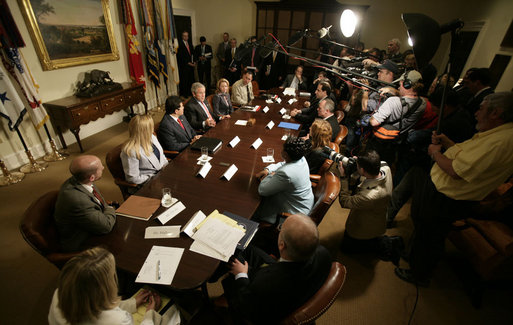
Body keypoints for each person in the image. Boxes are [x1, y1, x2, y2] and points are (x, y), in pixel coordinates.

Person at [393, 92, 513, 286]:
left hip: (448, 196)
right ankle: (413, 257)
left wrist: (434, 153)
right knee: (425, 229)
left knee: (431, 235)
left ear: (496, 113)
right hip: (444, 191)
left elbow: (455, 170)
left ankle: (419, 274)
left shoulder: (500, 141)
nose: (476, 113)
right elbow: (471, 158)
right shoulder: (499, 134)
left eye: (481, 108)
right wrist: (448, 143)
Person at [221, 214, 332, 324]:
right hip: (295, 280)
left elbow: (246, 307)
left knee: (235, 265)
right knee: (248, 250)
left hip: (264, 302)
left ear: (281, 245)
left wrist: (241, 275)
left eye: (280, 228)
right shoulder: (324, 254)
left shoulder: (265, 284)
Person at [48, 247, 163, 325]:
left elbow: (92, 306)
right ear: (104, 288)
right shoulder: (119, 321)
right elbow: (104, 314)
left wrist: (131, 304)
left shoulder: (58, 295)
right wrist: (150, 315)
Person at [338, 150, 402, 264]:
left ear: (362, 170)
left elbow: (344, 201)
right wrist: (360, 162)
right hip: (379, 216)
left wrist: (343, 177)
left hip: (364, 227)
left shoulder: (370, 196)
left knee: (345, 248)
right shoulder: (385, 167)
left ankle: (383, 244)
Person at [54, 155, 116, 252]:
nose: (103, 168)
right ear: (92, 177)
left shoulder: (81, 179)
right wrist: (111, 208)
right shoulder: (78, 201)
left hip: (93, 223)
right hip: (82, 241)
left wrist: (106, 209)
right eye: (101, 167)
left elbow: (102, 203)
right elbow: (106, 226)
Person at [368, 70, 427, 165]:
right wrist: (393, 91)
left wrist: (372, 115)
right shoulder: (422, 103)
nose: (398, 87)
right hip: (395, 144)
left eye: (400, 84)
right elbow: (409, 98)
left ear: (407, 85)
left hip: (378, 145)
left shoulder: (392, 101)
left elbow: (374, 122)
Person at [253, 136, 314, 224]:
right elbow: (283, 164)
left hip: (295, 213)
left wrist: (270, 175)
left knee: (254, 210)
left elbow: (262, 190)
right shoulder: (301, 158)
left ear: (285, 154)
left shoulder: (286, 173)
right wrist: (268, 170)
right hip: (304, 202)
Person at [121, 115, 168, 188]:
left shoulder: (152, 137)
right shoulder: (130, 151)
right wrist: (152, 177)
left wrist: (167, 169)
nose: (153, 130)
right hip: (148, 184)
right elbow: (132, 178)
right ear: (145, 131)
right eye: (151, 128)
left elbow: (162, 156)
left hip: (162, 175)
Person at [177, 31, 195, 97]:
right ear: (182, 36)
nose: (186, 37)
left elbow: (193, 53)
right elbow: (180, 56)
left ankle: (191, 93)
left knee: (191, 80)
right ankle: (185, 94)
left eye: (187, 36)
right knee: (185, 81)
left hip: (191, 66)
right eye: (184, 36)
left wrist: (194, 62)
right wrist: (188, 63)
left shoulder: (189, 44)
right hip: (184, 66)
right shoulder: (180, 45)